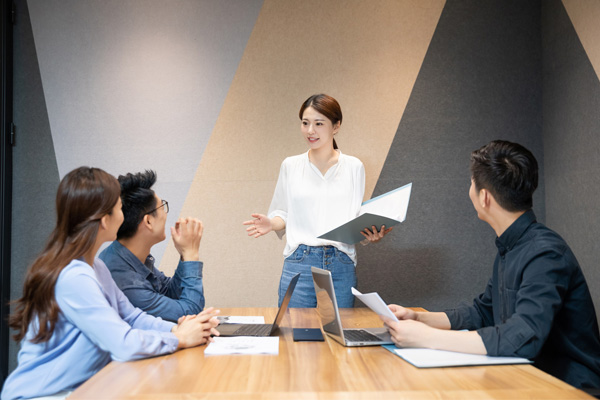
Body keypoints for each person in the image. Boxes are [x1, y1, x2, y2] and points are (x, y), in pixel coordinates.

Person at [383, 140, 600, 389]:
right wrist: (420, 319)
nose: (469, 190)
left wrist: (428, 338)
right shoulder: (511, 245)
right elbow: (484, 312)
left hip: (568, 388)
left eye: (471, 184)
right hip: (525, 379)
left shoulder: (546, 253)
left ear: (484, 197)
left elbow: (522, 337)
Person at [1, 167, 219, 400]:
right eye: (118, 208)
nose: (123, 215)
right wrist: (180, 338)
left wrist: (175, 329)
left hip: (80, 389)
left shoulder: (96, 267)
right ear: (105, 221)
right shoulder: (74, 278)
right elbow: (123, 343)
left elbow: (132, 317)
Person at [243, 94, 392, 308]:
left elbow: (355, 215)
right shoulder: (290, 165)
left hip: (341, 262)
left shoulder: (354, 166)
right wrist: (271, 223)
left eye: (319, 124)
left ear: (336, 126)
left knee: (337, 338)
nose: (310, 131)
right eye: (305, 123)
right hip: (299, 261)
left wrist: (370, 235)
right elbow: (282, 212)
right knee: (294, 334)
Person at [99, 170, 205, 322]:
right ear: (148, 221)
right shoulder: (123, 278)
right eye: (162, 206)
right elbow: (189, 313)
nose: (165, 214)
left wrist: (184, 254)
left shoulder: (128, 255)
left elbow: (169, 292)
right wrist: (191, 254)